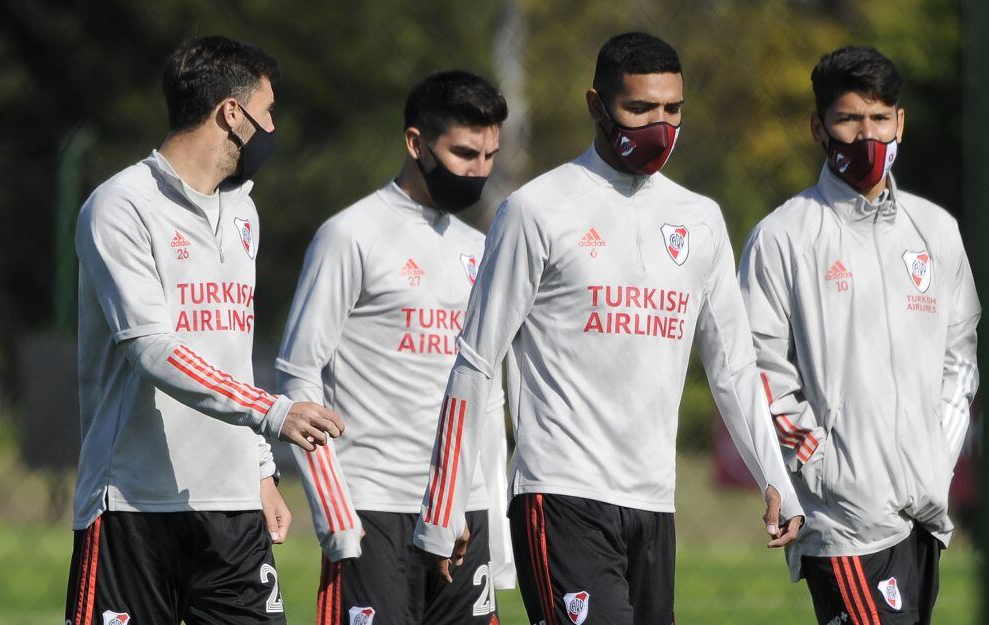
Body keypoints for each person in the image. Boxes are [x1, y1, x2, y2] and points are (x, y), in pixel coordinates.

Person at [412, 31, 804, 625]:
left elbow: (733, 367)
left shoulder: (699, 219)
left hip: (654, 505)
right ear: (596, 105)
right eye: (639, 109)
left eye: (672, 110)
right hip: (561, 495)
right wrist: (447, 503)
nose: (660, 126)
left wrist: (774, 476)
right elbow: (476, 361)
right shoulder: (537, 210)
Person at [66, 36, 343, 625]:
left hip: (233, 508)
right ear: (232, 115)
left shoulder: (244, 212)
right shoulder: (119, 205)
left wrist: (261, 470)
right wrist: (272, 412)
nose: (274, 128)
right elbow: (152, 348)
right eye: (268, 113)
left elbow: (229, 352)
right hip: (132, 506)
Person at [739, 45, 980, 625]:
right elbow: (755, 365)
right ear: (819, 127)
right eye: (849, 119)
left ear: (900, 122)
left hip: (923, 511)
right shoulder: (783, 236)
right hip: (842, 518)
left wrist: (936, 461)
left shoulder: (937, 231)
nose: (866, 134)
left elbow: (961, 358)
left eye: (879, 118)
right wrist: (818, 462)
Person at [275, 70, 513, 625]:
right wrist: (336, 515)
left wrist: (493, 529)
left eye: (489, 156)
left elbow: (490, 396)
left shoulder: (483, 249)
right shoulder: (350, 235)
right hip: (374, 510)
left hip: (461, 513)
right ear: (415, 144)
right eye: (463, 153)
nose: (478, 171)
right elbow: (298, 376)